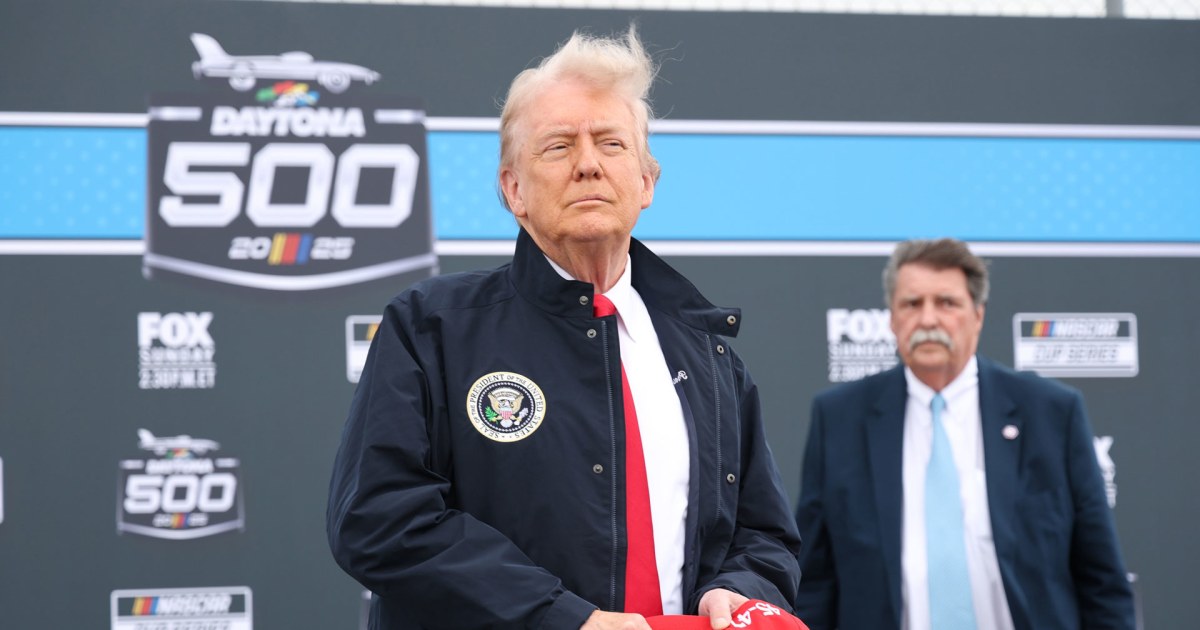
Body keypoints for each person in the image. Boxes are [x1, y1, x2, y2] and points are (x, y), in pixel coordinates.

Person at [327, 27, 801, 630]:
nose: (587, 165)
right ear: (513, 189)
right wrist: (564, 618)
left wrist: (738, 588)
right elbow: (379, 520)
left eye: (611, 143)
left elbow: (763, 533)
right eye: (557, 146)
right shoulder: (431, 327)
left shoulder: (706, 353)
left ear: (647, 181)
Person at [793, 238, 1135, 630]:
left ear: (978, 314)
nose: (928, 320)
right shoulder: (840, 418)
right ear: (891, 318)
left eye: (947, 303)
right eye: (911, 304)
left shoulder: (1051, 413)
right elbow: (814, 582)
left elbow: (1102, 579)